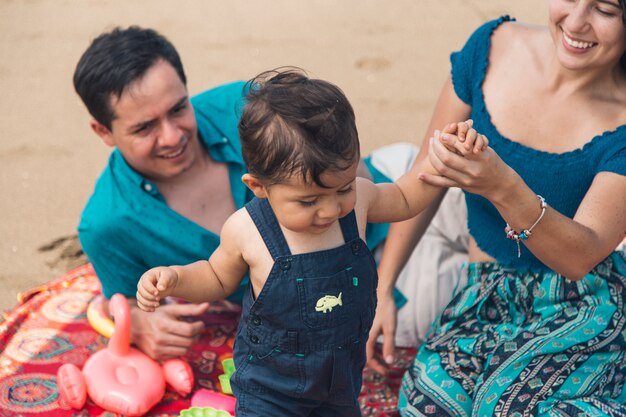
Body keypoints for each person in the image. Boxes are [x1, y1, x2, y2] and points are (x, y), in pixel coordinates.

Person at [74, 26, 471, 362]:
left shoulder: (249, 108)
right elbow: (125, 304)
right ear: (102, 132)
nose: (173, 136)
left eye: (179, 108)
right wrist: (139, 325)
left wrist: (382, 281)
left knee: (500, 237)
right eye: (145, 128)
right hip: (369, 290)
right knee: (481, 304)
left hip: (393, 185)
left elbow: (369, 188)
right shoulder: (106, 224)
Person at [136, 69, 485, 416]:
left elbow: (407, 198)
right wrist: (176, 278)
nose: (330, 209)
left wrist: (444, 158)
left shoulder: (360, 200)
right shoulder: (247, 229)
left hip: (340, 381)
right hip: (270, 389)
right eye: (308, 201)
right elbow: (215, 276)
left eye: (343, 188)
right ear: (260, 187)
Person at [373, 1, 626, 415]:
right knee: (428, 406)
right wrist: (382, 287)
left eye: (605, 10)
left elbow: (579, 256)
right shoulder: (489, 48)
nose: (576, 22)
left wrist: (504, 186)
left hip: (583, 301)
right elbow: (425, 176)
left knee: (507, 409)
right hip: (482, 293)